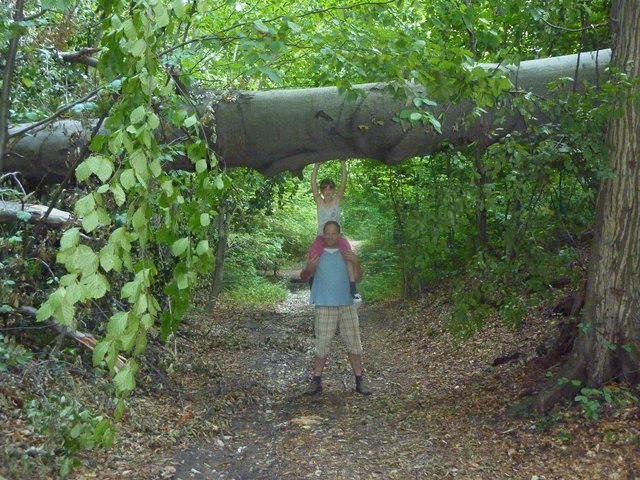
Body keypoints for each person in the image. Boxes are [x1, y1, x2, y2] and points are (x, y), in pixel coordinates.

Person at [300, 220, 371, 396]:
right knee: (322, 345)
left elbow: (357, 278)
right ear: (323, 235)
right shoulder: (317, 253)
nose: (331, 236)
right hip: (324, 304)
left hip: (346, 304)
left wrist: (357, 262)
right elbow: (303, 277)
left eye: (334, 233)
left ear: (339, 235)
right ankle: (316, 381)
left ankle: (359, 380)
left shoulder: (346, 253)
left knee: (354, 343)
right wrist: (308, 269)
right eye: (328, 233)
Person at [308, 160, 360, 300]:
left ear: (333, 190)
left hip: (337, 237)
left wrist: (343, 164)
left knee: (348, 256)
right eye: (325, 189)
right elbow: (313, 184)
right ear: (322, 191)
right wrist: (316, 166)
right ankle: (313, 282)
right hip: (321, 236)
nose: (328, 191)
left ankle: (352, 285)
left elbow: (344, 182)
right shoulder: (319, 202)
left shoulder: (337, 201)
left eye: (330, 188)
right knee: (313, 257)